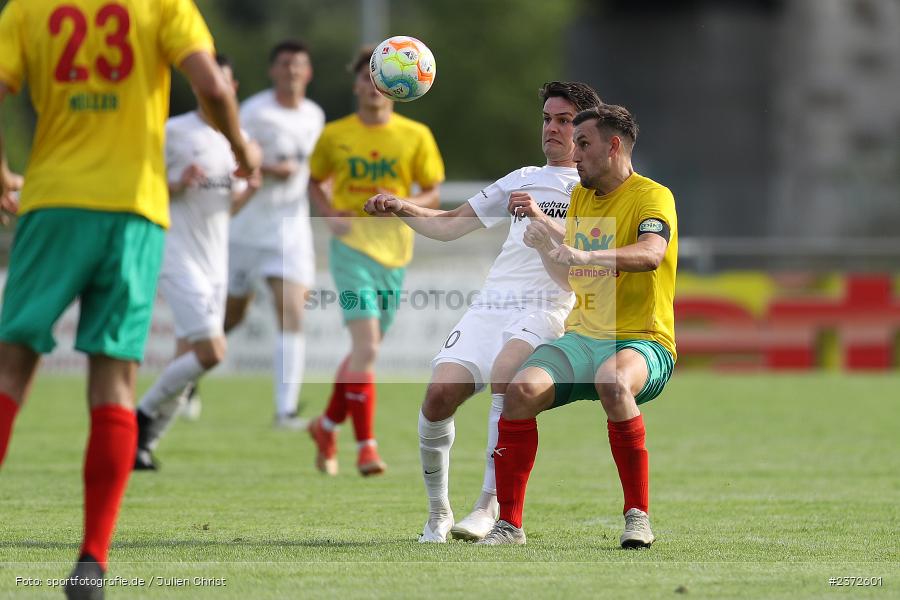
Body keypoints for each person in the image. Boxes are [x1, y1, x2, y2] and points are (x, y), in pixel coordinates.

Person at [0, 1, 260, 597]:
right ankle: (92, 559)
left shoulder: (28, 8)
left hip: (53, 202)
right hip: (133, 212)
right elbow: (212, 86)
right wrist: (242, 149)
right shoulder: (163, 5)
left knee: (10, 373)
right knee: (115, 384)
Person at [365, 82, 601, 542]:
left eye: (564, 120)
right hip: (492, 304)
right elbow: (450, 226)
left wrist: (542, 219)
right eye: (547, 119)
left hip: (548, 305)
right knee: (438, 396)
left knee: (506, 376)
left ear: (586, 130)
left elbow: (589, 254)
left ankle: (488, 505)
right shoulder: (522, 177)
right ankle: (438, 513)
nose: (552, 129)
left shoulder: (596, 190)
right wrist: (400, 206)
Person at [477, 104, 677, 547]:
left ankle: (637, 517)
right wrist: (546, 245)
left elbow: (650, 255)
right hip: (584, 337)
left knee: (613, 382)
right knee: (519, 390)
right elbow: (574, 275)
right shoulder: (584, 199)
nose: (575, 152)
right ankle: (509, 526)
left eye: (583, 143)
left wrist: (584, 253)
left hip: (643, 340)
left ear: (614, 146)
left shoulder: (652, 196)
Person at [306, 46, 445, 476]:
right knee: (366, 347)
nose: (372, 86)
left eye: (379, 78)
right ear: (357, 85)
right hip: (350, 252)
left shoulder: (416, 135)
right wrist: (328, 214)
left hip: (395, 254)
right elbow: (314, 180)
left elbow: (432, 192)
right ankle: (366, 445)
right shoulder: (334, 134)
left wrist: (403, 204)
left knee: (363, 352)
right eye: (366, 77)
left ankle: (325, 426)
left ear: (398, 86)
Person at [134, 55, 261, 470]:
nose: (217, 90)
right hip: (176, 255)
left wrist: (250, 190)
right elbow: (140, 188)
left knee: (188, 360)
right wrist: (175, 183)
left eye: (225, 83)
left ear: (233, 88)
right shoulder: (174, 132)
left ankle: (143, 446)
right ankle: (140, 417)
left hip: (214, 263)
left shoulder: (237, 140)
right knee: (211, 352)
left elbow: (227, 209)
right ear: (197, 86)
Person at [223, 40, 325, 429]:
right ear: (273, 71)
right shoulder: (254, 111)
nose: (291, 71)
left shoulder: (315, 115)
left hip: (290, 230)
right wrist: (266, 168)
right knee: (231, 315)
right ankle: (190, 376)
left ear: (308, 72)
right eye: (284, 64)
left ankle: (286, 411)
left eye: (298, 64)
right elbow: (231, 154)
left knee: (292, 312)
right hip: (247, 229)